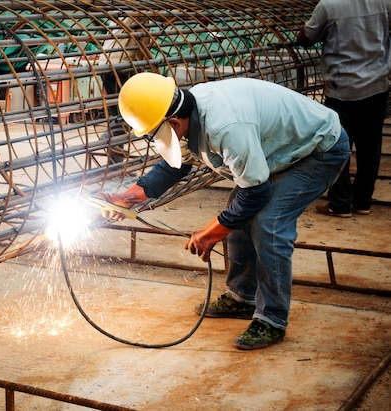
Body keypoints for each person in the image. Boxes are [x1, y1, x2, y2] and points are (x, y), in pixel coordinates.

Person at [99, 72, 350, 350]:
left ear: (172, 122)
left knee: (269, 222)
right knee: (238, 214)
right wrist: (130, 196)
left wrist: (210, 233)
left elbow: (256, 193)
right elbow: (176, 164)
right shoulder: (186, 108)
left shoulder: (225, 127)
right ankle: (242, 296)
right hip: (282, 149)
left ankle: (273, 319)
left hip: (319, 148)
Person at [297, 0, 391, 217]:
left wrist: (302, 31)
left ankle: (339, 204)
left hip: (342, 89)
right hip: (377, 85)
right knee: (371, 146)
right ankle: (363, 202)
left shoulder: (329, 5)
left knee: (338, 146)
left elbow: (307, 37)